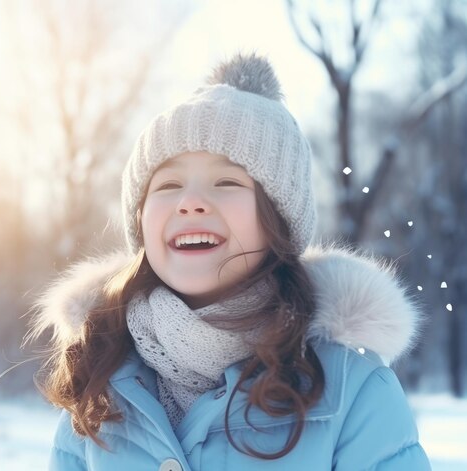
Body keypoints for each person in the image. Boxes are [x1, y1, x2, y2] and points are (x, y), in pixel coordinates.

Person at [27, 53, 431, 470]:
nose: (191, 203)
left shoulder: (354, 389)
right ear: (141, 221)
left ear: (278, 220)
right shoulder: (98, 383)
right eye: (168, 184)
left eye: (227, 181)